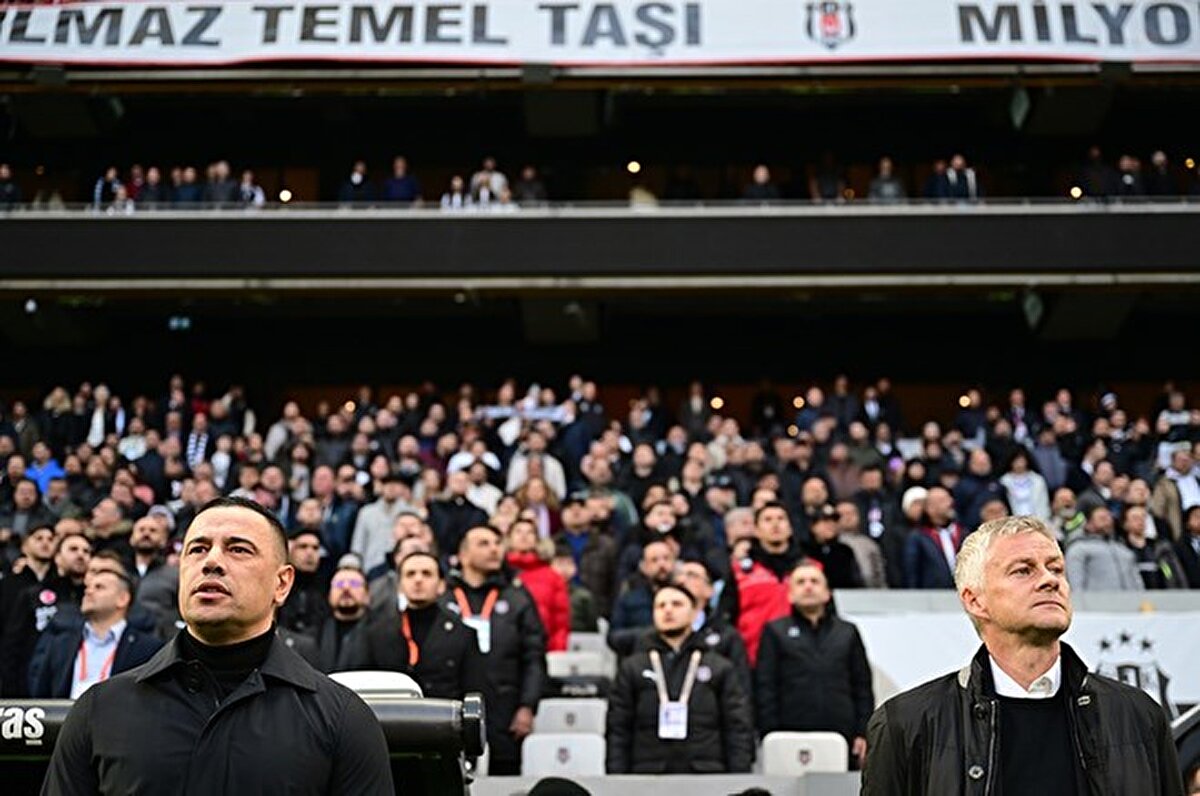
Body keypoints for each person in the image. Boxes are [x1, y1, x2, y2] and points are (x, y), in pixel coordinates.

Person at [42, 496, 393, 794]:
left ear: (282, 584)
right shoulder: (99, 710)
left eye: (238, 549)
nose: (211, 561)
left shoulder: (343, 721)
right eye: (197, 549)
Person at [863, 515, 1183, 795]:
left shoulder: (1139, 715)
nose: (1050, 580)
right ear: (975, 600)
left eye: (1056, 568)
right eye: (1023, 570)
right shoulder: (904, 724)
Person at [605, 582, 753, 774]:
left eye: (676, 604)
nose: (668, 610)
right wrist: (617, 780)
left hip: (706, 773)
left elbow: (737, 727)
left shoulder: (719, 667)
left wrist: (739, 779)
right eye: (660, 606)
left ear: (694, 613)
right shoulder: (632, 667)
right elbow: (618, 729)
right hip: (647, 774)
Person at [442, 524, 546, 775]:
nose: (494, 549)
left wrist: (527, 706)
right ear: (463, 554)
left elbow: (534, 657)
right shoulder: (444, 598)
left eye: (497, 543)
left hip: (505, 712)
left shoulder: (517, 598)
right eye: (484, 544)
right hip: (451, 709)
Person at [755, 559, 873, 769]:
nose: (808, 586)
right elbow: (765, 686)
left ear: (827, 593)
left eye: (814, 581)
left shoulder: (847, 632)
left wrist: (863, 731)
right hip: (788, 735)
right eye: (800, 582)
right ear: (790, 594)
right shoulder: (774, 632)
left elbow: (862, 685)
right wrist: (769, 732)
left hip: (842, 735)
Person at [351, 551, 484, 698]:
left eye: (427, 574)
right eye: (410, 574)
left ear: (441, 585)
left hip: (443, 710)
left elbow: (475, 692)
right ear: (399, 586)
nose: (418, 579)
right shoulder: (377, 632)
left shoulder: (463, 634)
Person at [28, 557, 162, 698]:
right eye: (88, 587)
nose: (89, 591)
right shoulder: (60, 644)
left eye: (99, 587)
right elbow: (41, 694)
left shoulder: (147, 649)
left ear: (122, 599)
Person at [1064, 506, 1143, 591]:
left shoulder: (1123, 550)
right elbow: (1075, 583)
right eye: (1102, 518)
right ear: (1089, 524)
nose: (1107, 522)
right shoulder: (1078, 549)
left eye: (1109, 518)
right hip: (1096, 599)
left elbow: (1137, 582)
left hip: (1130, 598)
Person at [316, 562, 371, 673]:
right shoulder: (315, 634)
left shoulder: (380, 634)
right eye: (339, 584)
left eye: (354, 584)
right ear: (329, 595)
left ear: (367, 595)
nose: (346, 588)